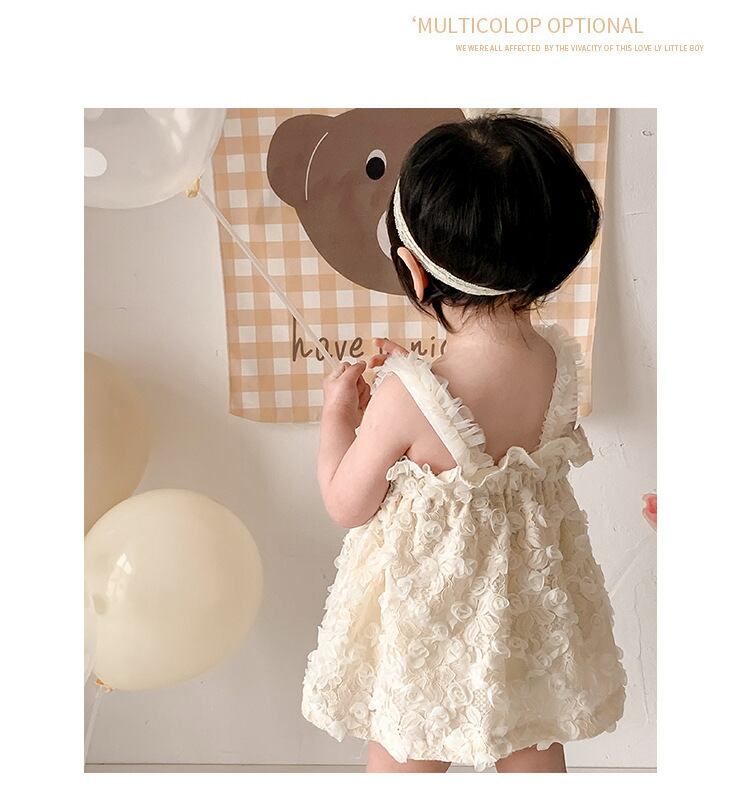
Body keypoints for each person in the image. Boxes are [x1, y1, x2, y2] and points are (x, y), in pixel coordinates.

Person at [301, 112, 627, 773]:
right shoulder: (555, 363)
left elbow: (346, 502)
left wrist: (339, 414)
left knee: (407, 749)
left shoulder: (405, 397)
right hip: (524, 613)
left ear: (416, 274)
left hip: (429, 623)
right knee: (532, 738)